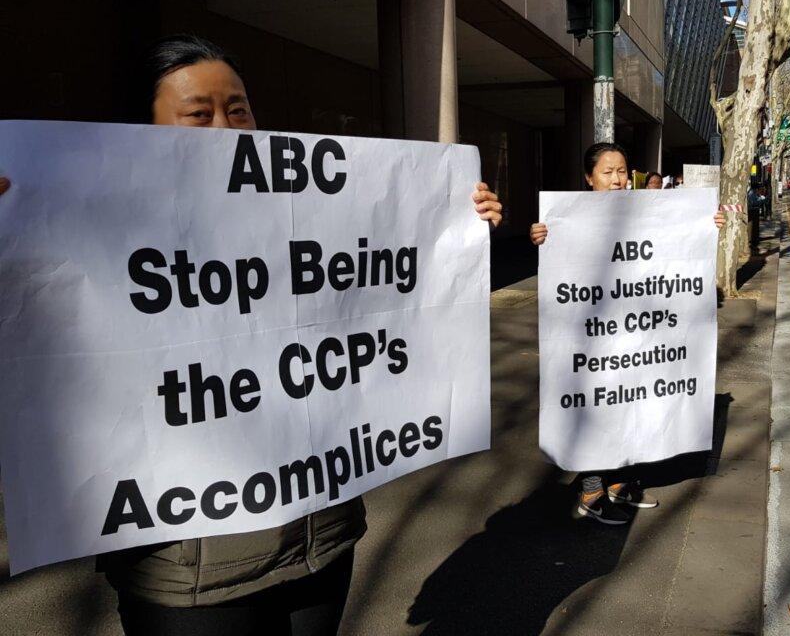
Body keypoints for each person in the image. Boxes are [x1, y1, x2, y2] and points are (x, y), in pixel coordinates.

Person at [0, 34, 502, 635]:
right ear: (140, 129)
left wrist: (454, 225)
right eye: (198, 113)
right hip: (189, 578)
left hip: (321, 541)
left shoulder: (307, 215)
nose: (224, 127)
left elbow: (386, 289)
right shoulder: (84, 231)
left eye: (237, 109)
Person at [529, 142, 725, 526]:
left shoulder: (649, 212)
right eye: (607, 172)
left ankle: (619, 484)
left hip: (637, 337)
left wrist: (707, 224)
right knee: (595, 403)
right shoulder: (567, 218)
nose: (618, 179)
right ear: (589, 178)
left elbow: (678, 246)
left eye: (622, 171)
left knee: (628, 401)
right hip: (592, 338)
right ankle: (591, 490)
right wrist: (542, 237)